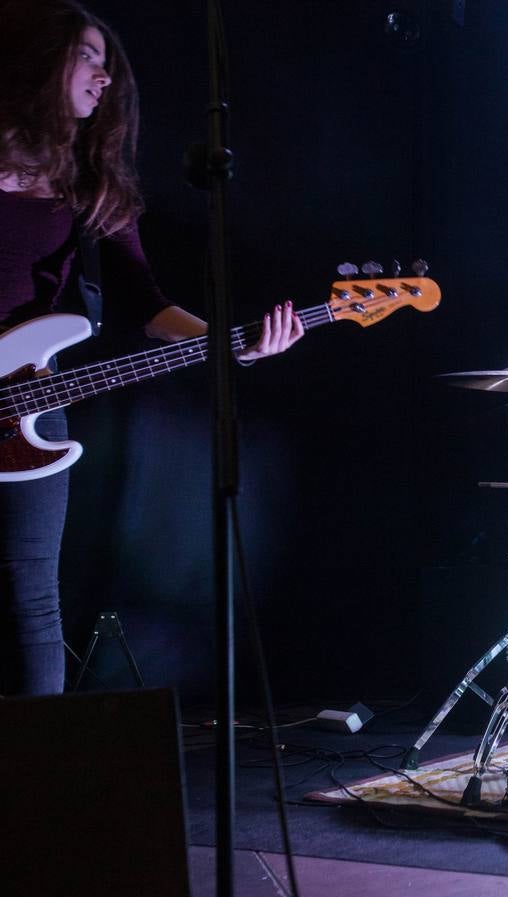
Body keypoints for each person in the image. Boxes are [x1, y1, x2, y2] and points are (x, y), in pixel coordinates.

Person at [0, 0, 303, 696]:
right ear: (37, 58)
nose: (104, 80)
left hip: (24, 419)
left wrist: (234, 346)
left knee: (30, 603)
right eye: (89, 58)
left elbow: (144, 304)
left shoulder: (88, 188)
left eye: (109, 68)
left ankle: (36, 779)